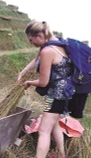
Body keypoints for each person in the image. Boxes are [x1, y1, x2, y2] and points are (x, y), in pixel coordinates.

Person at [18, 21, 71, 158]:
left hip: (55, 97)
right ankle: (61, 154)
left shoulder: (48, 51)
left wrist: (28, 82)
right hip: (64, 94)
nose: (31, 43)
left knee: (43, 131)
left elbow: (43, 82)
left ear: (40, 35)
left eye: (31, 40)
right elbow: (36, 60)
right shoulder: (56, 43)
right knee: (54, 125)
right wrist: (22, 72)